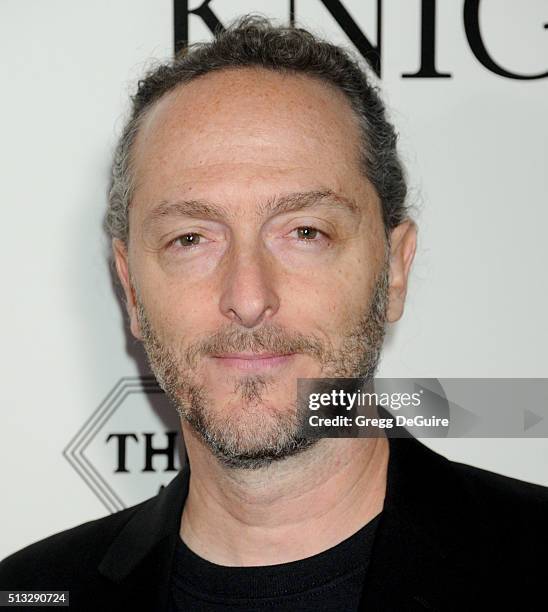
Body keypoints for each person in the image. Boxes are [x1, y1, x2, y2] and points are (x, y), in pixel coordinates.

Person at [1, 14, 546, 612]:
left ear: (393, 268)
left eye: (304, 232)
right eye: (191, 238)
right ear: (130, 287)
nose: (249, 296)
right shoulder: (33, 590)